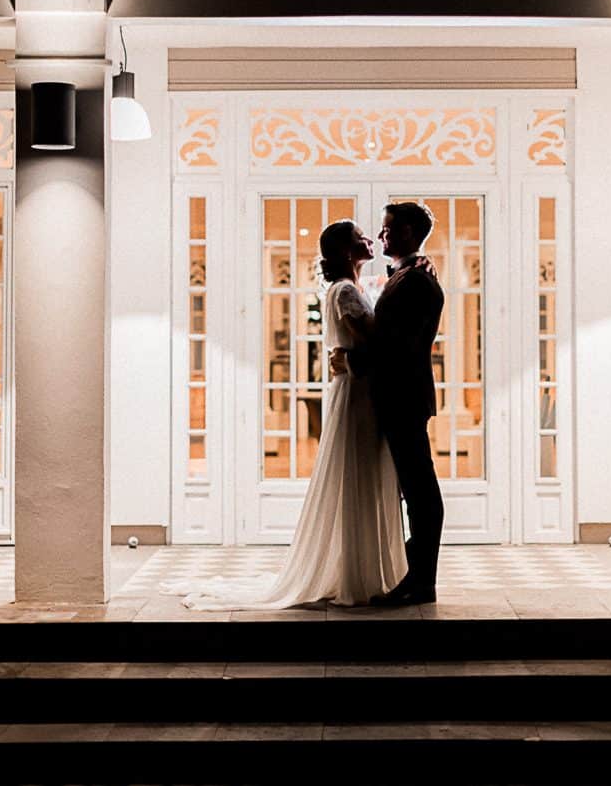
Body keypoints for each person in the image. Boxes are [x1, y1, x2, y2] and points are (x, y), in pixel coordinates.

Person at [163, 220, 408, 609]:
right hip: (359, 394)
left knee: (362, 475)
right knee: (357, 475)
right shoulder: (344, 291)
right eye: (361, 236)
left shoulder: (352, 288)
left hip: (362, 388)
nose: (369, 240)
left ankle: (359, 568)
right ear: (347, 250)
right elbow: (378, 342)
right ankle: (357, 574)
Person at [329, 200, 446, 606]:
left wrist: (352, 359)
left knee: (420, 488)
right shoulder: (408, 275)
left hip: (405, 396)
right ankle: (415, 576)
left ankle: (421, 580)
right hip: (397, 395)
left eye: (388, 229)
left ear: (410, 233)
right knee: (413, 487)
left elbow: (401, 346)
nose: (381, 236)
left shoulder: (416, 280)